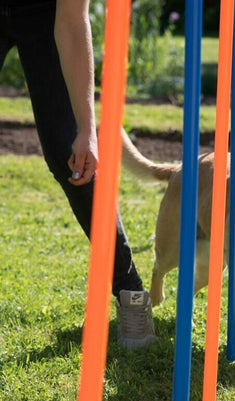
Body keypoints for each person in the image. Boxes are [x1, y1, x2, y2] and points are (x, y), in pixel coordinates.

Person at [0, 0, 155, 350]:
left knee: (70, 154)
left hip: (45, 14)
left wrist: (87, 130)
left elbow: (71, 22)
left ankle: (130, 291)